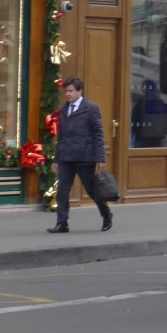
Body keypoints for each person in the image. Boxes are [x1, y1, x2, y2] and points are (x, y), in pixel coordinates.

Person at [48, 76, 113, 234]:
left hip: (85, 157)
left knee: (92, 190)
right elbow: (61, 137)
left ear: (79, 91)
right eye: (66, 92)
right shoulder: (64, 110)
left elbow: (98, 133)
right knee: (62, 191)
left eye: (71, 91)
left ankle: (106, 214)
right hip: (66, 157)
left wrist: (100, 158)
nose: (68, 94)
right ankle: (62, 223)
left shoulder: (91, 108)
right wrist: (57, 159)